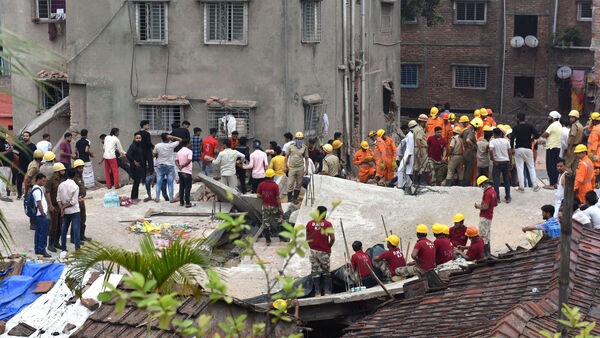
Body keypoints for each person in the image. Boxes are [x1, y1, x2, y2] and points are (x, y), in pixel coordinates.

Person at [306, 206, 335, 296]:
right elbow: (333, 238)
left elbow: (307, 239)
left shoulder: (309, 224)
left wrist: (312, 247)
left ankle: (317, 292)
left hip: (313, 251)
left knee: (315, 272)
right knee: (326, 271)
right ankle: (326, 291)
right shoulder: (328, 224)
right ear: (324, 213)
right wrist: (328, 247)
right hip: (324, 251)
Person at [510, 112, 541, 192]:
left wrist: (512, 148)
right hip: (528, 149)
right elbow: (537, 136)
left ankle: (521, 187)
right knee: (531, 167)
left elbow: (512, 138)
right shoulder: (530, 126)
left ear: (518, 119)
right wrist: (531, 138)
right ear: (525, 118)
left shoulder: (515, 127)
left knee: (520, 168)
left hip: (518, 149)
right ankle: (535, 186)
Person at [257, 169, 283, 245]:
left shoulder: (261, 184)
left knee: (266, 223)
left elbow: (258, 195)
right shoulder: (275, 185)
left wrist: (265, 197)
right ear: (272, 176)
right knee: (279, 221)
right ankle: (281, 238)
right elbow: (277, 198)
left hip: (265, 206)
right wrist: (280, 208)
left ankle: (268, 240)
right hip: (274, 206)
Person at [153, 133, 182, 202]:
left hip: (160, 165)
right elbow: (180, 140)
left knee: (159, 182)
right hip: (170, 166)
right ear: (168, 138)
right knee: (170, 183)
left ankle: (157, 197)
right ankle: (171, 198)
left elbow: (153, 154)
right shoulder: (171, 145)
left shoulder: (157, 145)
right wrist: (172, 136)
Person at [57, 168, 81, 251]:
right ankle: (77, 249)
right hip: (74, 211)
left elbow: (58, 199)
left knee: (64, 229)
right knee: (76, 230)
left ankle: (63, 247)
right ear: (74, 175)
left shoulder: (61, 185)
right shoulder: (75, 187)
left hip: (65, 211)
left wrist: (62, 208)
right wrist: (64, 207)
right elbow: (74, 202)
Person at [474, 175, 497, 257]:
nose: (481, 187)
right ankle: (488, 253)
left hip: (485, 216)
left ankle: (483, 254)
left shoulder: (487, 193)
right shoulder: (493, 191)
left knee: (482, 236)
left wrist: (478, 206)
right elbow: (495, 204)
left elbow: (486, 206)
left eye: (481, 186)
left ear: (483, 184)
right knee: (487, 236)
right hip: (490, 216)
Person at [45, 163, 65, 253]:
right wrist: (50, 205)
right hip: (54, 205)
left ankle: (56, 242)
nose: (64, 171)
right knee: (53, 226)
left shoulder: (62, 180)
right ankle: (50, 244)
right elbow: (48, 193)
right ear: (57, 171)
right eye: (62, 170)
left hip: (60, 206)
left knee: (60, 225)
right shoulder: (51, 180)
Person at [489, 127, 512, 203]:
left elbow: (491, 151)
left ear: (494, 134)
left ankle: (497, 198)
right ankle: (507, 197)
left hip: (497, 163)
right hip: (506, 162)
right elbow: (509, 152)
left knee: (496, 181)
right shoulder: (506, 141)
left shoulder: (492, 141)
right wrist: (510, 162)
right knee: (506, 180)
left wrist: (493, 159)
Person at [285, 132, 308, 203]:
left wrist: (307, 168)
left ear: (302, 139)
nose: (299, 140)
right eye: (298, 139)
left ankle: (295, 198)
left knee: (299, 184)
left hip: (300, 167)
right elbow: (286, 157)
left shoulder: (304, 147)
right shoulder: (291, 146)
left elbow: (306, 158)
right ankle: (289, 199)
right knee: (290, 183)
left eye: (300, 139)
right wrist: (284, 166)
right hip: (292, 167)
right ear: (295, 139)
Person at [542, 111, 563, 189]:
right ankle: (555, 183)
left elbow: (545, 134)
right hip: (558, 147)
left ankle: (551, 184)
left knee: (550, 166)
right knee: (555, 166)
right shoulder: (559, 125)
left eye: (549, 116)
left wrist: (543, 134)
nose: (548, 118)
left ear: (553, 118)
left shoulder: (552, 125)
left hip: (551, 147)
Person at [14, 131, 38, 200]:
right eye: (24, 136)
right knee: (19, 180)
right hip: (21, 165)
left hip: (30, 166)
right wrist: (17, 157)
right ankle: (19, 195)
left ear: (29, 137)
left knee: (30, 180)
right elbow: (14, 151)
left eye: (27, 136)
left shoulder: (33, 146)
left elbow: (35, 155)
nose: (25, 137)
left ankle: (29, 194)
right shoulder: (19, 145)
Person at [32, 173, 51, 257]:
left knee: (39, 233)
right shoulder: (37, 190)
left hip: (39, 215)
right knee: (42, 233)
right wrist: (43, 213)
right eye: (43, 181)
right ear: (38, 179)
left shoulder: (37, 189)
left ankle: (38, 249)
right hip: (41, 215)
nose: (44, 182)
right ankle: (42, 250)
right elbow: (39, 203)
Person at [73, 159, 90, 241]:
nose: (81, 169)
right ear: (76, 168)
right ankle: (75, 238)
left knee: (83, 218)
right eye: (80, 168)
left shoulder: (80, 176)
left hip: (82, 201)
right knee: (76, 220)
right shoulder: (74, 178)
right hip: (76, 201)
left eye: (82, 168)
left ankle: (82, 236)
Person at [126, 132, 145, 203]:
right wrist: (134, 162)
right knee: (136, 183)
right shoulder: (133, 146)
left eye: (139, 138)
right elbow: (128, 155)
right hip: (135, 167)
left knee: (137, 183)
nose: (138, 139)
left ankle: (135, 197)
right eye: (137, 138)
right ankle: (133, 198)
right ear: (134, 138)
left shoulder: (139, 146)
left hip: (140, 166)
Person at [176, 139, 194, 208]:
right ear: (187, 144)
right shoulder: (189, 151)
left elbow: (176, 160)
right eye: (189, 143)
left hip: (180, 171)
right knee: (187, 187)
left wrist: (179, 166)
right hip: (187, 172)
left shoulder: (179, 151)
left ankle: (181, 202)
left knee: (181, 187)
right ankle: (187, 202)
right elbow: (189, 160)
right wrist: (183, 166)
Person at [397, 121, 416, 189]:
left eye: (403, 131)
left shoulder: (410, 136)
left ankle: (400, 186)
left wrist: (408, 157)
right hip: (407, 155)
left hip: (409, 156)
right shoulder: (408, 136)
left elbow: (411, 147)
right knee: (406, 171)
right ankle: (409, 185)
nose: (403, 132)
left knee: (401, 169)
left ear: (406, 129)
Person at [461, 118, 479, 186]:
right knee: (469, 170)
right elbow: (468, 140)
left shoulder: (465, 130)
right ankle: (466, 184)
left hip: (465, 152)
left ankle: (463, 183)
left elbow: (460, 136)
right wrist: (473, 146)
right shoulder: (471, 132)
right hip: (470, 153)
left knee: (465, 169)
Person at [413, 115, 429, 184]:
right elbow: (418, 139)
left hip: (415, 148)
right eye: (425, 122)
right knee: (424, 165)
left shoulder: (415, 128)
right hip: (421, 148)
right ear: (422, 122)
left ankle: (415, 182)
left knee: (416, 166)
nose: (425, 124)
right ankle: (422, 182)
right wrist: (422, 150)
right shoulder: (420, 130)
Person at [0, 133, 13, 201]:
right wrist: (9, 151)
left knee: (5, 180)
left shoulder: (6, 142)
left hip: (8, 164)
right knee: (3, 180)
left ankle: (4, 194)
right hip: (3, 164)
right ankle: (3, 196)